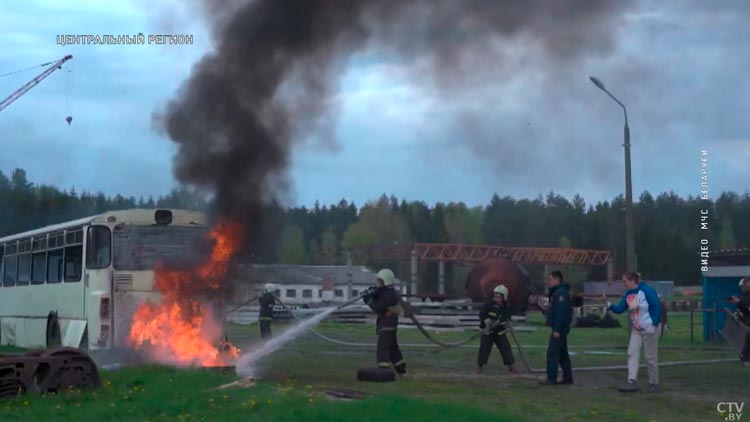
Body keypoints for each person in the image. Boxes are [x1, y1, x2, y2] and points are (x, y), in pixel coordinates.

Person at [607, 272, 662, 393]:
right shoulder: (628, 294)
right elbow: (621, 308)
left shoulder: (646, 291)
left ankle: (654, 383)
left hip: (649, 327)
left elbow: (656, 306)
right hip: (637, 329)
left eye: (625, 281)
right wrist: (609, 305)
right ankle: (631, 381)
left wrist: (654, 323)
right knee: (632, 353)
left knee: (650, 356)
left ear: (632, 280)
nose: (624, 283)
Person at [362, 269, 406, 376]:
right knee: (393, 348)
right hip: (386, 323)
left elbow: (378, 307)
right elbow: (379, 298)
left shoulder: (389, 294)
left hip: (388, 324)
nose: (378, 283)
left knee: (383, 348)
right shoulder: (385, 292)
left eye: (379, 281)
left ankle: (384, 371)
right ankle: (402, 371)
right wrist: (372, 292)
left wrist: (368, 299)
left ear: (385, 281)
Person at [476, 285, 520, 374]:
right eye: (495, 296)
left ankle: (511, 366)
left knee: (506, 348)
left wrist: (505, 323)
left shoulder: (506, 307)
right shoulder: (489, 304)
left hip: (499, 332)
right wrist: (486, 321)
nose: (496, 299)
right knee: (484, 349)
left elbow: (507, 318)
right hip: (488, 332)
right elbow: (482, 314)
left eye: (498, 297)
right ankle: (479, 366)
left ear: (504, 297)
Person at [539, 270, 573, 385]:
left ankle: (551, 378)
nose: (549, 282)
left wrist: (557, 329)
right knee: (563, 354)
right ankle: (568, 378)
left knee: (553, 353)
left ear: (556, 279)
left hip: (559, 329)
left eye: (550, 279)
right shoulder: (558, 293)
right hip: (560, 327)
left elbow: (561, 313)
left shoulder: (561, 294)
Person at [727, 276, 750, 365]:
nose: (742, 289)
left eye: (743, 286)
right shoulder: (745, 296)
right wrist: (736, 314)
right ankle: (745, 358)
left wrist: (738, 303)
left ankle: (745, 358)